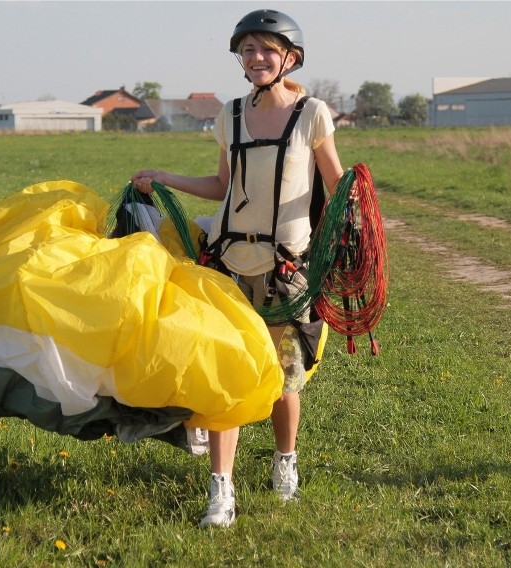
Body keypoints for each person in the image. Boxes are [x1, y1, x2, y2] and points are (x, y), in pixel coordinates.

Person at [131, 9, 347, 528]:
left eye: (266, 49)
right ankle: (221, 492)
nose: (256, 58)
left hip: (286, 269)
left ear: (289, 56)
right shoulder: (227, 115)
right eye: (247, 50)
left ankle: (284, 462)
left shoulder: (313, 114)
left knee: (284, 379)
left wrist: (353, 220)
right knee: (223, 376)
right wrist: (165, 178)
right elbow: (222, 187)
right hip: (227, 263)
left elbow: (335, 184)